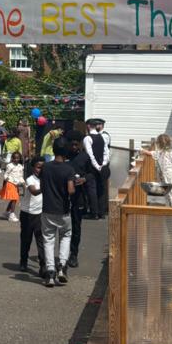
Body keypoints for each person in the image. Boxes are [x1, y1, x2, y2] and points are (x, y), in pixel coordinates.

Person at [40, 145, 76, 287]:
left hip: (47, 208)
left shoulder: (46, 167)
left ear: (54, 151)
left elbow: (42, 187)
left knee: (48, 240)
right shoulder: (69, 169)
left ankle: (50, 272)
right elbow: (70, 190)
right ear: (65, 153)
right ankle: (61, 265)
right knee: (65, 236)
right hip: (63, 209)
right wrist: (75, 184)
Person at [19, 158, 47, 277]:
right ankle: (23, 261)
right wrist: (45, 187)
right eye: (38, 167)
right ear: (33, 168)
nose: (40, 170)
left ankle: (43, 266)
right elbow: (34, 191)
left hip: (40, 214)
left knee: (41, 241)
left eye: (42, 167)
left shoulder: (45, 179)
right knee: (26, 239)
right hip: (27, 213)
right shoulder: (30, 179)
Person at [66, 134, 89, 268]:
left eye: (77, 144)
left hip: (79, 196)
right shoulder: (63, 157)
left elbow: (93, 174)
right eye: (72, 145)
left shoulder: (85, 157)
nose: (74, 147)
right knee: (62, 227)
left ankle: (73, 254)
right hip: (63, 196)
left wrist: (84, 179)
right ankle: (61, 254)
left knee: (76, 226)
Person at [82, 118, 110, 220]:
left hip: (91, 168)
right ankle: (101, 212)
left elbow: (90, 155)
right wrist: (103, 164)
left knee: (92, 189)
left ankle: (94, 213)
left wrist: (97, 166)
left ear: (88, 126)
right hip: (101, 166)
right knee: (101, 188)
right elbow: (106, 152)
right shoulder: (102, 137)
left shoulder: (87, 138)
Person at [0, 151, 25, 221]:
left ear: (20, 158)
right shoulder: (9, 165)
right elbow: (6, 174)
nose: (16, 159)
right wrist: (6, 178)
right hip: (10, 183)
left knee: (14, 199)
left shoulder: (20, 166)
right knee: (14, 198)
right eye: (15, 158)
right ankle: (12, 214)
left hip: (16, 184)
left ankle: (7, 212)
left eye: (18, 158)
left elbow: (21, 176)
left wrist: (23, 182)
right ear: (12, 158)